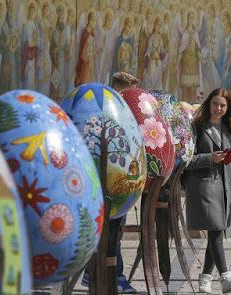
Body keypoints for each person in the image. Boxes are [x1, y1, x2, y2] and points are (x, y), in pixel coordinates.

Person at [185, 88, 231, 293]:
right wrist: (209, 158)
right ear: (209, 103)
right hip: (204, 186)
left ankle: (205, 278)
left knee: (217, 233)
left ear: (228, 107)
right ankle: (225, 276)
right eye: (215, 104)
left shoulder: (229, 128)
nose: (218, 108)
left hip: (226, 189)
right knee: (215, 229)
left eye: (223, 105)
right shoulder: (197, 127)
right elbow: (186, 160)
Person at [81, 72, 139, 293]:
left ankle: (92, 273)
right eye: (126, 94)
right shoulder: (104, 112)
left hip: (118, 180)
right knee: (110, 231)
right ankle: (116, 275)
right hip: (103, 183)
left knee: (114, 230)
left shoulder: (123, 113)